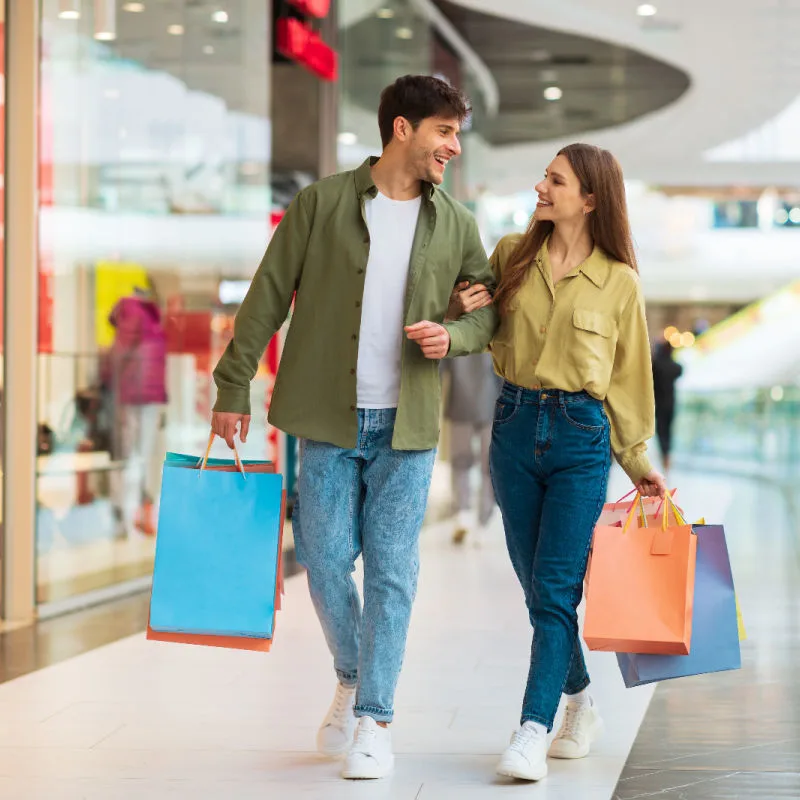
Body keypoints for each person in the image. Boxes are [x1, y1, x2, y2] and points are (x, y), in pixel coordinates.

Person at [211, 75, 498, 780]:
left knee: (395, 570)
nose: (453, 148)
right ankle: (351, 671)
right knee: (324, 555)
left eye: (457, 135)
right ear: (402, 129)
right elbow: (268, 295)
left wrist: (455, 336)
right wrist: (232, 385)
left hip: (409, 424)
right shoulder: (322, 203)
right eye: (444, 132)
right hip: (325, 415)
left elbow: (489, 311)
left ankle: (374, 717)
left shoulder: (457, 223)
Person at [454, 143, 666, 782]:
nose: (541, 187)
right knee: (535, 585)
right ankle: (580, 701)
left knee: (555, 590)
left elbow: (630, 380)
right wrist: (468, 307)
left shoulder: (619, 282)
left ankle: (532, 728)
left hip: (581, 438)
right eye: (545, 177)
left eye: (556, 180)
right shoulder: (510, 257)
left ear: (590, 198)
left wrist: (636, 462)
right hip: (514, 427)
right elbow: (481, 321)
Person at [440, 344, 501, 545]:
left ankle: (462, 514)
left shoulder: (452, 323)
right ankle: (482, 520)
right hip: (490, 403)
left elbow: (439, 369)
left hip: (461, 403)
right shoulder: (494, 321)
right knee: (488, 466)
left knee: (461, 462)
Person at [652, 339, 683, 471]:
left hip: (659, 403)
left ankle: (663, 452)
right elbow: (680, 370)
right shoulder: (674, 366)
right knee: (668, 429)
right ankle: (667, 454)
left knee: (661, 429)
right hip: (671, 403)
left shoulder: (657, 365)